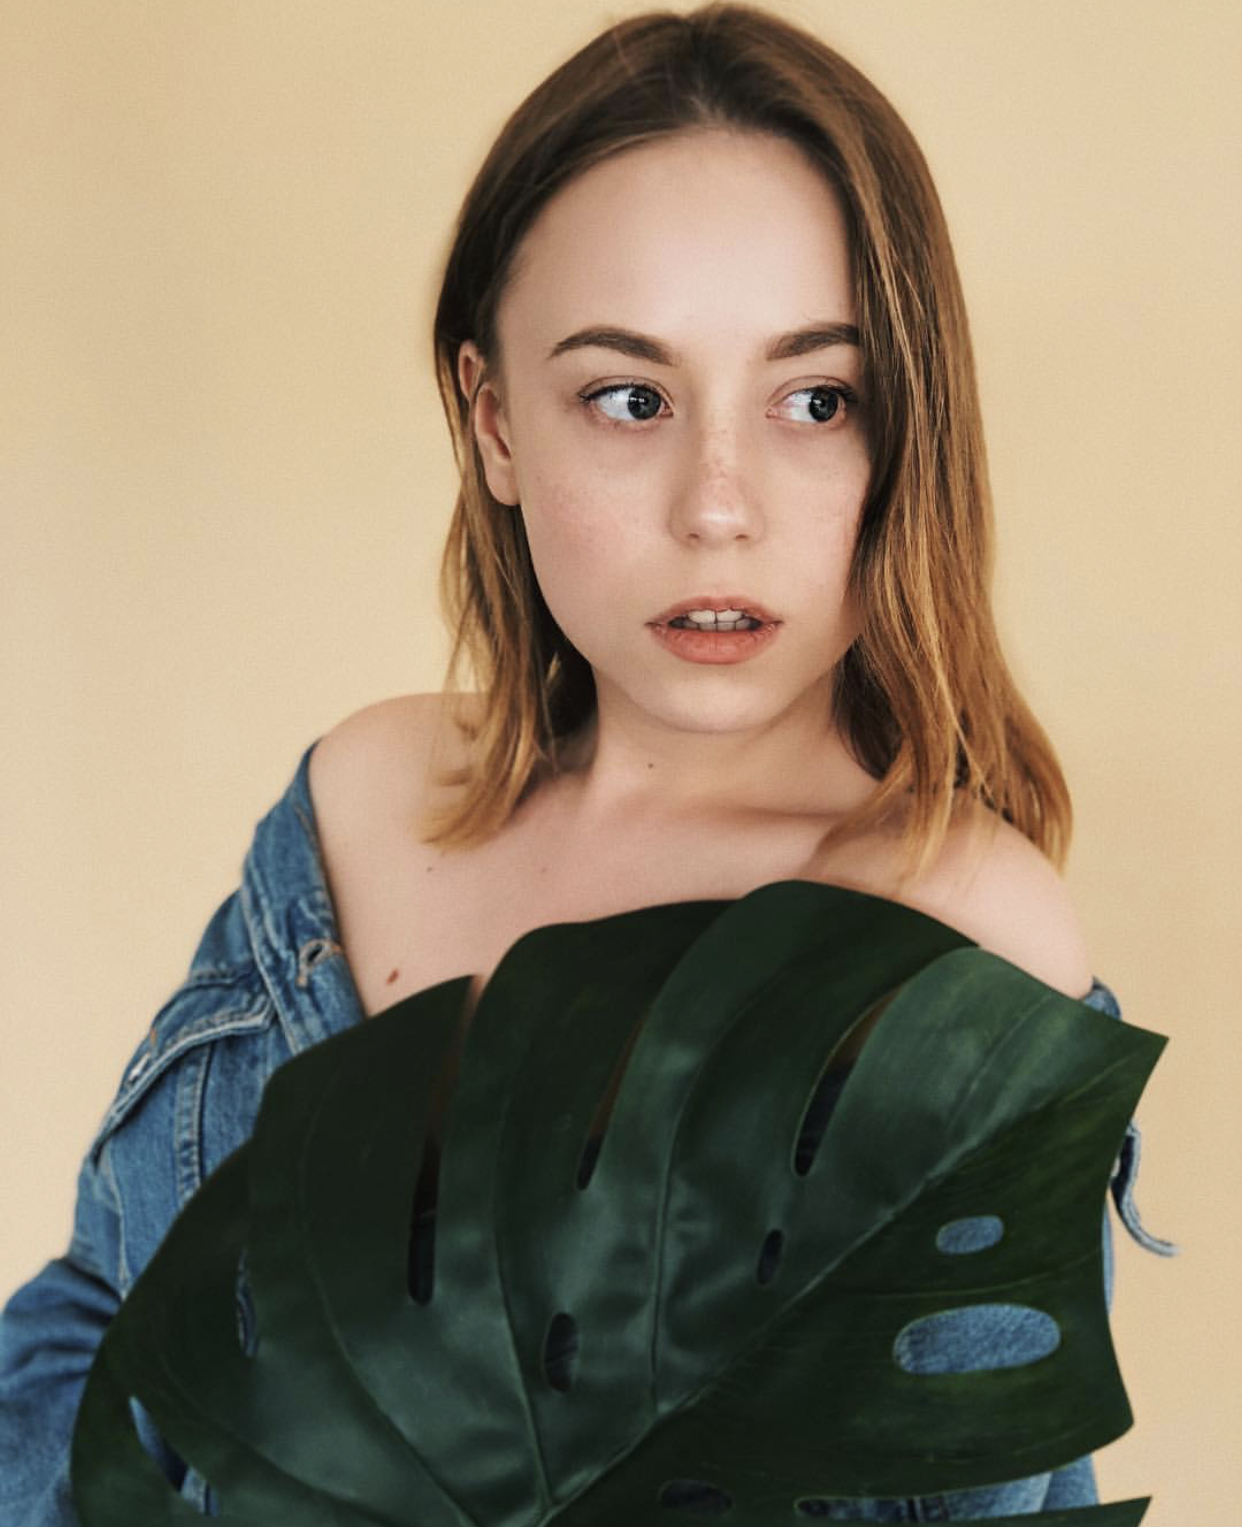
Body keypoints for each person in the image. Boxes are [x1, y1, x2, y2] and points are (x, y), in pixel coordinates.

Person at [0, 4, 1177, 1522]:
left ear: (904, 434)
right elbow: (97, 1326)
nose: (718, 505)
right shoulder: (364, 806)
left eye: (815, 400)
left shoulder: (953, 940)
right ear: (494, 424)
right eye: (629, 398)